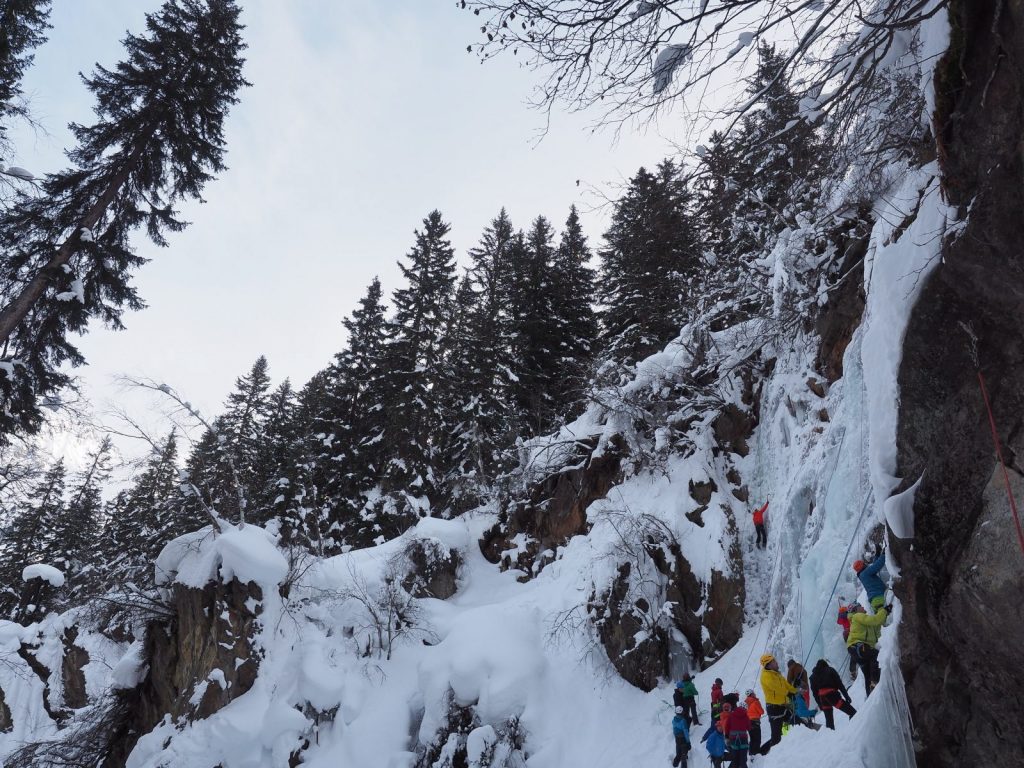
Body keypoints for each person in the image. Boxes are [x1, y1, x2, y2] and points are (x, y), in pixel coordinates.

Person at [846, 602, 889, 695]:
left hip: (856, 650)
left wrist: (885, 615)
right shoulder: (857, 616)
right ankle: (875, 682)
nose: (862, 607)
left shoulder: (865, 621)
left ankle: (870, 695)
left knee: (867, 674)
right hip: (857, 646)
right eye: (860, 606)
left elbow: (877, 625)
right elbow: (875, 620)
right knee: (875, 655)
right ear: (856, 610)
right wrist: (884, 610)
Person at [758, 654, 797, 755]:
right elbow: (776, 688)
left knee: (795, 721)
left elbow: (786, 685)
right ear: (769, 664)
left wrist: (795, 691)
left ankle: (805, 735)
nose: (776, 663)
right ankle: (763, 753)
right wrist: (789, 693)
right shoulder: (766, 676)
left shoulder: (777, 674)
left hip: (783, 705)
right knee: (776, 737)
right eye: (774, 661)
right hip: (774, 708)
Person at [809, 658, 857, 730]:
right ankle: (854, 730)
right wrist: (846, 696)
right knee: (853, 712)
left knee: (829, 724)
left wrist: (820, 704)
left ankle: (830, 739)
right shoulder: (830, 670)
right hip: (833, 697)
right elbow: (840, 684)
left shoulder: (812, 677)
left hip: (822, 699)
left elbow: (815, 693)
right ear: (825, 664)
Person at [853, 545, 887, 612]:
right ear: (862, 566)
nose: (866, 564)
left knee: (883, 619)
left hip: (875, 600)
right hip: (879, 597)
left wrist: (877, 554)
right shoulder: (865, 573)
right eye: (864, 564)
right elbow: (877, 566)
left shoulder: (863, 575)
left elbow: (873, 566)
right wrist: (884, 554)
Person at [724, 703, 751, 768]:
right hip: (743, 739)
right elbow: (749, 727)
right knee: (743, 759)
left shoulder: (731, 715)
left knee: (734, 758)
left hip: (733, 739)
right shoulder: (746, 716)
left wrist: (727, 737)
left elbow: (727, 726)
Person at [836, 599, 857, 680]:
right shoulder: (848, 616)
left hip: (846, 634)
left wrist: (840, 613)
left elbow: (839, 621)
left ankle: (852, 672)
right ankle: (853, 671)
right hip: (851, 633)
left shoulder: (841, 619)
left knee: (852, 652)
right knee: (854, 652)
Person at [744, 689, 764, 755]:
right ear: (752, 694)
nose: (755, 694)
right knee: (757, 739)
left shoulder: (745, 703)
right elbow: (762, 711)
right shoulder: (755, 702)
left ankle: (751, 753)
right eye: (754, 693)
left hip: (748, 723)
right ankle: (756, 753)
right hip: (755, 722)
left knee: (752, 739)